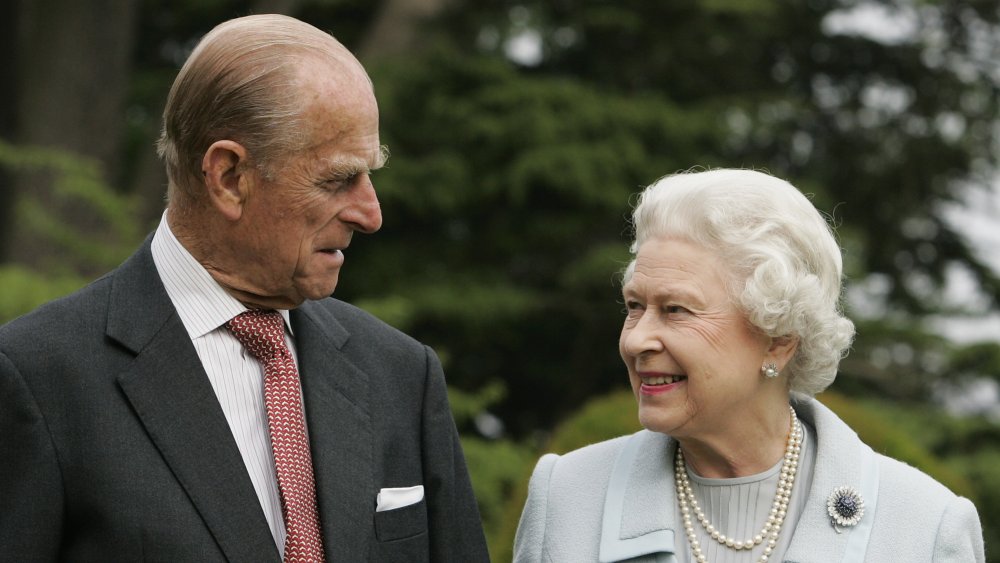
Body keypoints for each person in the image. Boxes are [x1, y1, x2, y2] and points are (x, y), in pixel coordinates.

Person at [0, 14, 489, 562]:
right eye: (337, 179)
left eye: (370, 175)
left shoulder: (401, 374)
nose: (370, 214)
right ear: (230, 176)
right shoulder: (36, 378)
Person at [513, 168, 985, 562]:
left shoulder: (925, 527)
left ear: (778, 340)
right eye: (634, 306)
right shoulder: (566, 497)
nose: (636, 339)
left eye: (676, 310)